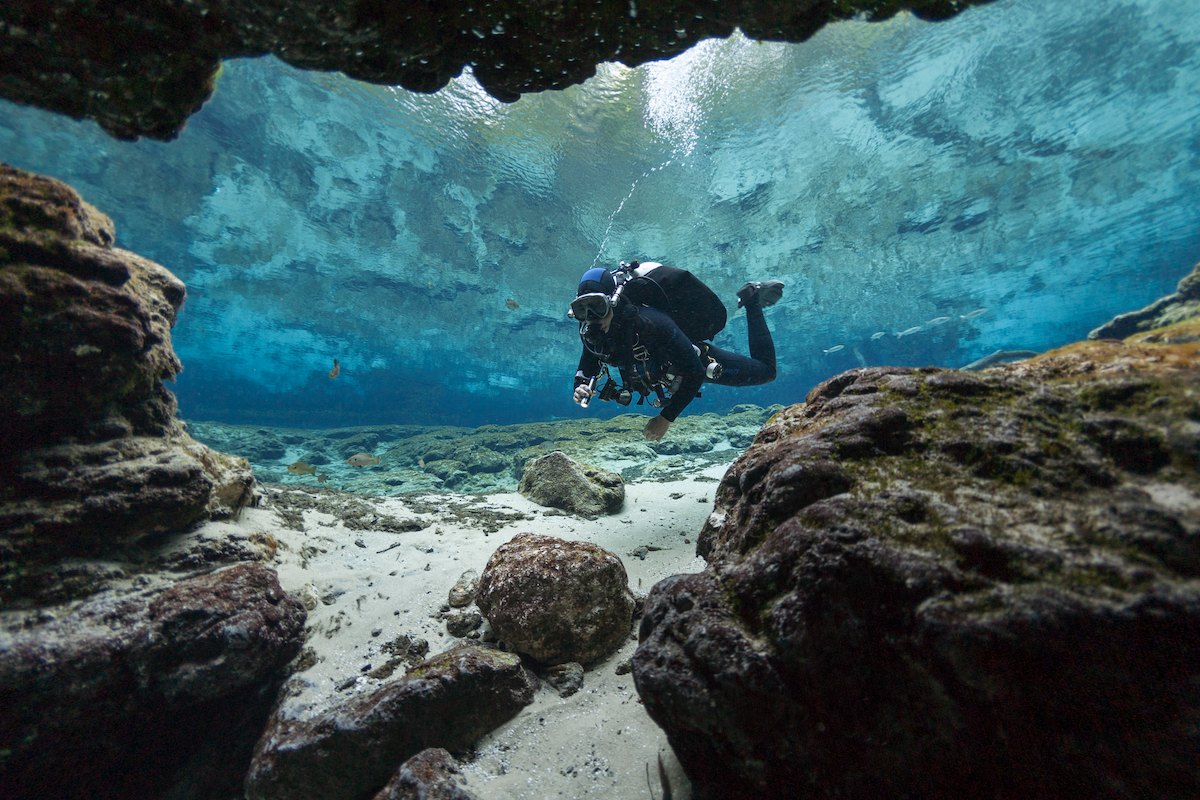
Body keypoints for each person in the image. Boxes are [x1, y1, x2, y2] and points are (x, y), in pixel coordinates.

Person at [570, 265, 783, 441]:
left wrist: (665, 418)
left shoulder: (651, 324)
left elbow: (696, 372)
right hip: (666, 377)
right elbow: (587, 368)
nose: (591, 317)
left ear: (613, 302)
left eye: (597, 306)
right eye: (582, 309)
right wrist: (580, 388)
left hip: (691, 363)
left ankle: (752, 298)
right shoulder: (591, 334)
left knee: (767, 372)